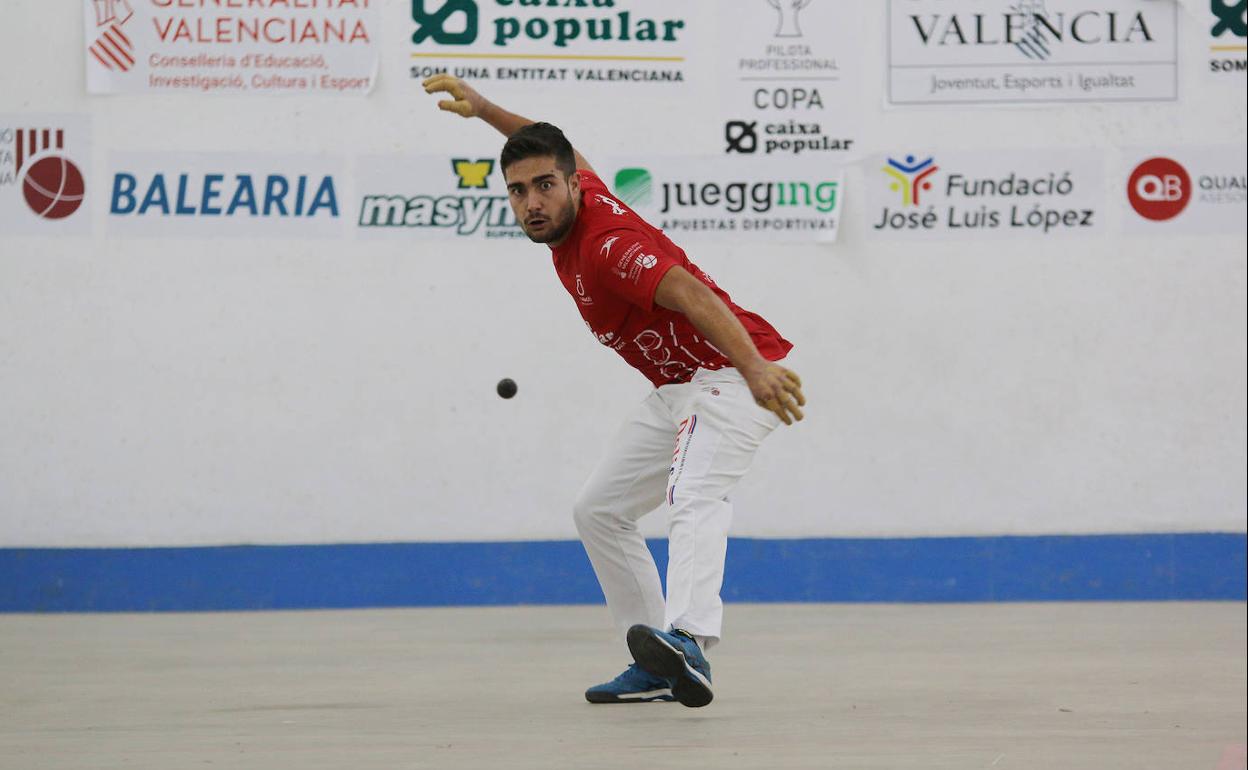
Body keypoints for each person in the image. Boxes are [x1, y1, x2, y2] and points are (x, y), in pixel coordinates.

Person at [424, 75, 807, 709]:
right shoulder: (577, 209)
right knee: (598, 509)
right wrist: (485, 110)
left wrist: (755, 370)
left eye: (545, 186)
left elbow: (690, 293)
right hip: (679, 387)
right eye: (518, 191)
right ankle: (654, 665)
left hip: (736, 375)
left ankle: (687, 638)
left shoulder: (606, 246)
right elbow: (541, 146)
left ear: (574, 183)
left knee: (696, 490)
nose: (532, 202)